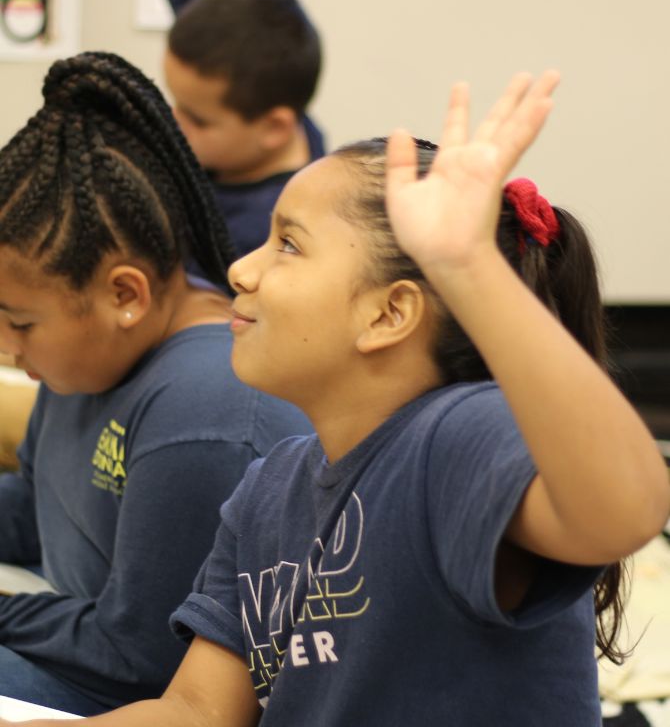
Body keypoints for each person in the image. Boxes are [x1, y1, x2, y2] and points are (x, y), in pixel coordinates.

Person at [3, 70, 668, 726]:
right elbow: (196, 709)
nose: (241, 269)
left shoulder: (452, 440)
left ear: (388, 315)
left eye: (288, 244)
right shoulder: (269, 490)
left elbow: (626, 509)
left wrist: (467, 267)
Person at [0, 52, 310, 717]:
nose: (5, 345)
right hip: (78, 649)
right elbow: (36, 511)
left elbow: (142, 657)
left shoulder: (209, 409)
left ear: (124, 295)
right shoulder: (89, 352)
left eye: (20, 322)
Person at [147, 0, 325, 259]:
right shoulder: (241, 70)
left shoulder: (262, 244)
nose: (173, 122)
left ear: (274, 128)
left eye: (197, 120)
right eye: (177, 103)